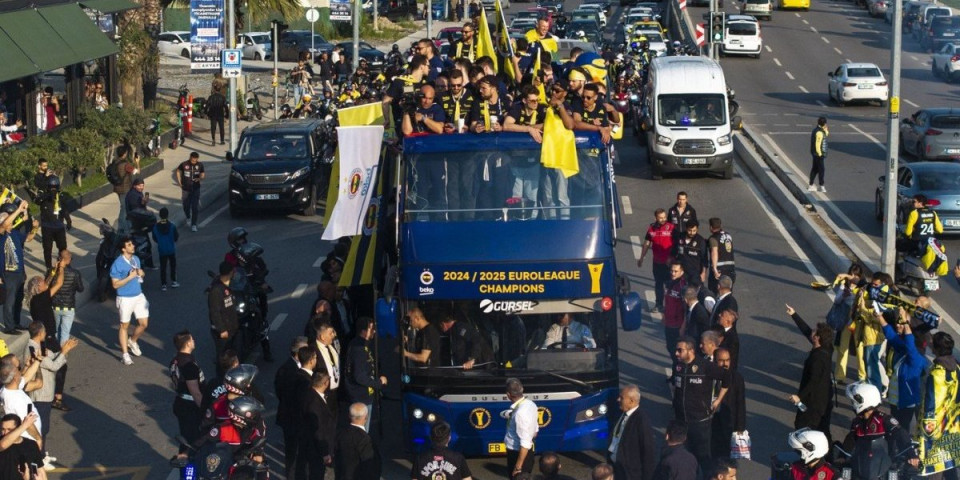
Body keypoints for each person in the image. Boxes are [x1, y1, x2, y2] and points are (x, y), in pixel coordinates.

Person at [670, 336, 729, 468]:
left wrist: (718, 400)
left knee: (703, 457)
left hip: (700, 421)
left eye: (680, 350)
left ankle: (706, 475)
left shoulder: (705, 366)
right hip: (681, 421)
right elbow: (675, 385)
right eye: (676, 350)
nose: (676, 353)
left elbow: (727, 377)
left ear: (691, 350)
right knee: (683, 456)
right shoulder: (678, 366)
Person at [784, 304, 836, 445]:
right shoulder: (827, 348)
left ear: (817, 338)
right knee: (823, 429)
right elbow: (807, 331)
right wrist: (794, 314)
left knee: (803, 427)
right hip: (825, 399)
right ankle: (828, 453)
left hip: (813, 402)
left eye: (814, 332)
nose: (811, 333)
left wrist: (799, 397)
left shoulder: (817, 358)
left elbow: (813, 381)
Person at [840, 382, 920, 473]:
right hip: (861, 467)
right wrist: (841, 456)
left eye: (854, 402)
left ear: (864, 401)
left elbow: (901, 433)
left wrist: (911, 454)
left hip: (885, 467)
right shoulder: (857, 422)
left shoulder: (884, 419)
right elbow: (850, 439)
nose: (853, 404)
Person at [878, 307, 928, 435]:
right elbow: (892, 337)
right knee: (894, 429)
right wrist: (879, 317)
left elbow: (909, 343)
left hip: (905, 403)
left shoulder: (915, 359)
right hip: (895, 401)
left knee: (902, 431)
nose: (897, 325)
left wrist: (906, 323)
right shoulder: (904, 351)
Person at [917, 332, 959, 478]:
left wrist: (927, 432)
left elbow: (931, 404)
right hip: (953, 424)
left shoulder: (937, 374)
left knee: (933, 466)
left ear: (935, 349)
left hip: (937, 427)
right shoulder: (957, 368)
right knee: (950, 462)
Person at [110, 235, 149, 366]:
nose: (133, 246)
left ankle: (132, 341)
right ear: (123, 249)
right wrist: (130, 277)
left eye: (132, 244)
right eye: (129, 245)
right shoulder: (117, 264)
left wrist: (141, 273)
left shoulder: (136, 259)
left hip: (138, 296)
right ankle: (125, 355)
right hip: (125, 298)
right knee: (124, 326)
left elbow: (140, 275)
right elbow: (115, 285)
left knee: (144, 324)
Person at [345, 317, 387, 431]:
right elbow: (359, 376)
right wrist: (378, 383)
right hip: (360, 395)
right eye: (371, 328)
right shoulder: (358, 348)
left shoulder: (364, 344)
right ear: (363, 331)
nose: (374, 331)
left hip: (365, 394)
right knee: (361, 429)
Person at [0, 201, 35, 333]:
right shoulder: (1, 234)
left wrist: (35, 228)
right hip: (8, 272)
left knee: (18, 299)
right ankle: (9, 327)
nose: (10, 222)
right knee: (10, 301)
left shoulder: (14, 233)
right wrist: (19, 209)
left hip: (19, 271)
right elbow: (4, 225)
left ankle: (16, 322)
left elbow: (28, 238)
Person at [608, 385, 656, 480]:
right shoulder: (622, 413)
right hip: (616, 468)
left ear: (631, 401)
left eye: (622, 398)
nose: (618, 399)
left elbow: (648, 452)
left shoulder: (641, 421)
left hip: (629, 474)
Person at [169, 330, 204, 457]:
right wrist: (205, 409)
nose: (194, 341)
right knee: (192, 441)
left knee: (186, 437)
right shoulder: (189, 365)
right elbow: (195, 392)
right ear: (188, 343)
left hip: (181, 402)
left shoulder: (176, 360)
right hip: (190, 407)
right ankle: (188, 466)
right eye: (192, 339)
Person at [0, 353, 43, 447]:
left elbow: (27, 377)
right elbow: (28, 424)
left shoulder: (8, 389)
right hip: (29, 441)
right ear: (15, 377)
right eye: (18, 370)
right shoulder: (16, 400)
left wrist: (38, 360)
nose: (21, 372)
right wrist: (38, 439)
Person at [298, 371, 335, 480]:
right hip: (316, 449)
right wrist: (325, 453)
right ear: (326, 383)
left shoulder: (309, 394)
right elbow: (319, 430)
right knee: (316, 473)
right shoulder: (315, 403)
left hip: (309, 444)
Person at [711, 348, 746, 460]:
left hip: (727, 421)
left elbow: (740, 403)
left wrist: (740, 427)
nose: (725, 364)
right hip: (711, 419)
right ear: (715, 361)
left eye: (727, 360)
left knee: (726, 452)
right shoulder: (709, 375)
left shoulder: (736, 378)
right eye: (721, 360)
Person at [638, 208, 675, 313]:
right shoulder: (651, 229)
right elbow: (646, 243)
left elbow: (676, 244)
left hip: (669, 263)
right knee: (658, 284)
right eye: (661, 218)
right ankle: (659, 305)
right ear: (656, 218)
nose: (663, 219)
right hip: (657, 263)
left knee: (670, 286)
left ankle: (671, 306)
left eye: (664, 217)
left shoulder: (671, 228)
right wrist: (642, 257)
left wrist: (672, 258)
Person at [335, 403, 381, 480]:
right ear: (366, 417)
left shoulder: (340, 434)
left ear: (349, 416)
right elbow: (370, 466)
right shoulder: (366, 440)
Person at [208, 261, 238, 375]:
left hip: (231, 326)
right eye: (234, 271)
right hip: (223, 331)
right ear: (230, 272)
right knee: (223, 357)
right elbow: (214, 312)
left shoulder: (229, 285)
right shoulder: (216, 290)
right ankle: (220, 377)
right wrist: (222, 330)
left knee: (231, 354)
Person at [505, 378, 538, 478]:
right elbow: (535, 430)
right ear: (522, 389)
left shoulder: (520, 413)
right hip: (527, 452)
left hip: (518, 453)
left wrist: (518, 467)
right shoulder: (531, 404)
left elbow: (524, 443)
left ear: (508, 395)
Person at [35, 174, 69, 270]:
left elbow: (64, 210)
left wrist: (68, 220)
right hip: (47, 227)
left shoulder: (61, 196)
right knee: (47, 249)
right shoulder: (43, 197)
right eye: (51, 187)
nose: (53, 190)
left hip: (59, 227)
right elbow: (37, 201)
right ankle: (49, 267)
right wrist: (46, 196)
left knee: (62, 248)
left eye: (55, 187)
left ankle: (63, 265)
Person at [0, 413, 46, 480]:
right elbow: (2, 445)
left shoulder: (31, 445)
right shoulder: (2, 443)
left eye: (9, 429)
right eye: (3, 429)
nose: (5, 432)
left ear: (18, 429)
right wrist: (25, 425)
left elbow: (40, 470)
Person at [109, 146, 138, 233]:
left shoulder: (115, 162)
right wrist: (137, 162)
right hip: (125, 189)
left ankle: (127, 225)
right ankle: (121, 227)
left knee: (125, 207)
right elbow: (137, 171)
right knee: (124, 208)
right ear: (125, 154)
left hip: (117, 188)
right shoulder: (126, 165)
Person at [315, 321, 342, 414]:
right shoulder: (314, 351)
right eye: (330, 333)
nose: (333, 335)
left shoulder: (332, 345)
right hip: (324, 392)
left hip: (335, 391)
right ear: (322, 337)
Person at [176, 152, 205, 231]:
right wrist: (179, 182)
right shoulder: (184, 164)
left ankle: (194, 224)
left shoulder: (200, 165)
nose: (194, 162)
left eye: (195, 160)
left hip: (196, 189)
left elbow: (203, 174)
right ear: (190, 157)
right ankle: (188, 217)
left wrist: (199, 178)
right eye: (192, 160)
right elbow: (178, 171)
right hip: (186, 189)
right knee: (186, 206)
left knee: (195, 207)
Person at [151, 207, 178, 291]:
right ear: (167, 215)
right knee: (172, 265)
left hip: (162, 250)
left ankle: (164, 284)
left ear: (159, 215)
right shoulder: (172, 226)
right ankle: (174, 281)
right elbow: (176, 237)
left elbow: (154, 238)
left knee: (163, 266)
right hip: (171, 249)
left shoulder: (155, 227)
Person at [663, 262, 687, 356]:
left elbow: (686, 309)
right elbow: (667, 302)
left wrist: (683, 327)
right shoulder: (668, 283)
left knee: (677, 351)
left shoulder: (683, 286)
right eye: (672, 271)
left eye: (676, 271)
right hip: (668, 323)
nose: (673, 273)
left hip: (677, 325)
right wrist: (664, 315)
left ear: (682, 272)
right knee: (669, 347)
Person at [673, 220, 707, 287]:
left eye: (694, 230)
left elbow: (704, 259)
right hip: (681, 271)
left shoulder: (701, 241)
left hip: (695, 273)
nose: (692, 233)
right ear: (686, 228)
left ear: (697, 229)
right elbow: (674, 251)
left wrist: (703, 273)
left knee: (695, 291)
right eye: (689, 230)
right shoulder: (680, 237)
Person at [707, 218, 735, 294]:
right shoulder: (728, 235)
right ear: (720, 225)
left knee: (714, 292)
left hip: (720, 269)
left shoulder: (713, 238)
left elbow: (714, 252)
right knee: (727, 292)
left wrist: (715, 269)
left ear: (711, 227)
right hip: (731, 269)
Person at [808, 116, 828, 193]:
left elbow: (826, 134)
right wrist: (820, 154)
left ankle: (811, 185)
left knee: (815, 169)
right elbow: (817, 144)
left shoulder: (817, 130)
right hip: (818, 154)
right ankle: (821, 186)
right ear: (824, 123)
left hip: (815, 153)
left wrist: (825, 129)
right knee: (821, 169)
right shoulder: (819, 132)